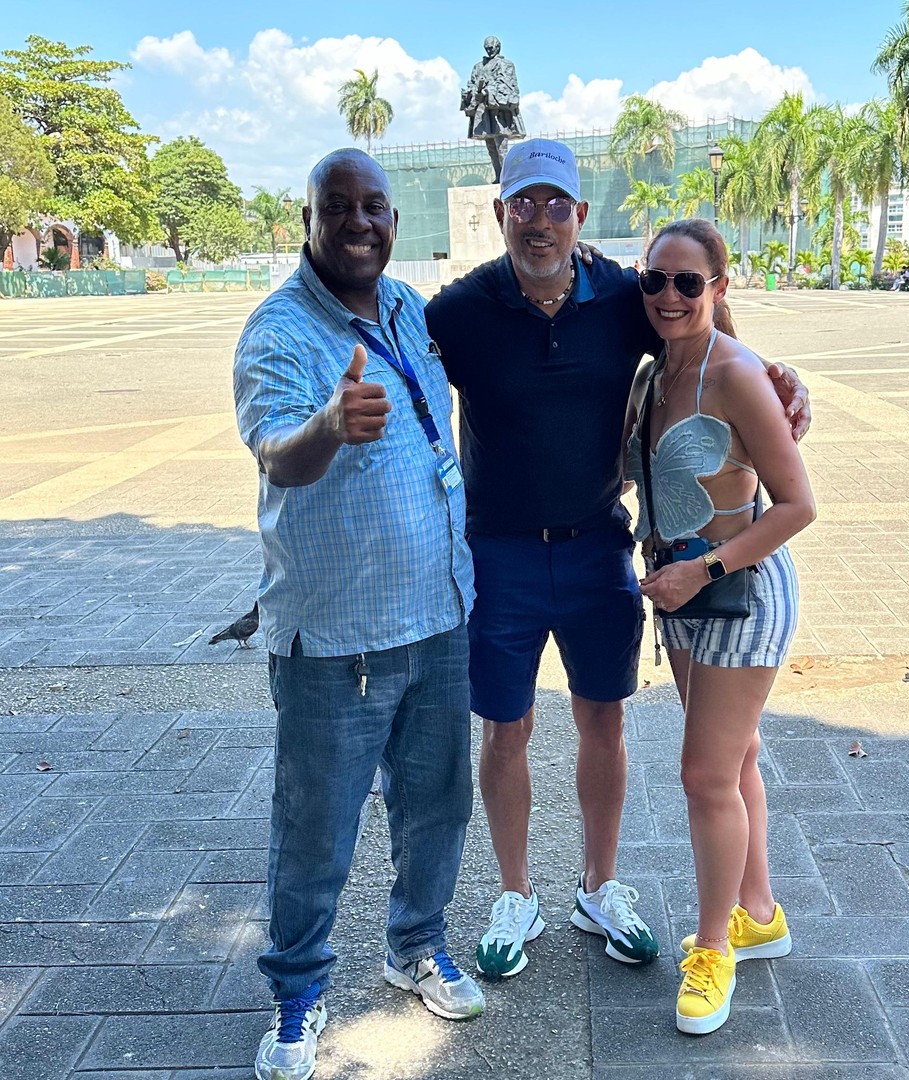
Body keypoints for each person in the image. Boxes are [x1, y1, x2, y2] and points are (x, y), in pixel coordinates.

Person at [424, 139, 811, 982]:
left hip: (600, 545)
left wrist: (775, 379)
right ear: (500, 212)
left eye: (555, 205)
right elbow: (398, 363)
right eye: (523, 204)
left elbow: (701, 332)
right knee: (505, 727)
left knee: (605, 719)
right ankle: (516, 893)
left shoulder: (622, 296)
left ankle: (599, 886)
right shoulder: (460, 310)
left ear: (580, 214)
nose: (539, 222)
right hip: (498, 553)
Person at [233, 148, 483, 1080]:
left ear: (392, 219)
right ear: (307, 220)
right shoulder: (279, 332)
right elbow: (278, 455)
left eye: (372, 206)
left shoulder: (410, 308)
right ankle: (297, 996)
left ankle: (415, 945)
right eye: (335, 206)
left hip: (438, 614)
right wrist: (331, 425)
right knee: (316, 828)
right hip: (338, 640)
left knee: (438, 806)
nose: (358, 223)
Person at [624, 219, 816, 1035]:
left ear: (719, 287)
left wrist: (701, 570)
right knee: (733, 760)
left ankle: (713, 948)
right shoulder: (654, 374)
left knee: (704, 776)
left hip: (738, 588)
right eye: (654, 280)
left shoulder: (736, 374)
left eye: (687, 282)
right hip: (681, 596)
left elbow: (798, 506)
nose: (668, 296)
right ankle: (757, 914)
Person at [461, 36, 527, 182]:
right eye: (487, 48)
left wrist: (488, 91)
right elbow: (472, 84)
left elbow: (508, 85)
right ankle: (498, 176)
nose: (489, 50)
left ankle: (507, 177)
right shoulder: (478, 67)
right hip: (484, 111)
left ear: (498, 47)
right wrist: (473, 92)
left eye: (491, 48)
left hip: (499, 110)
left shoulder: (506, 64)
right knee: (491, 147)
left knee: (501, 147)